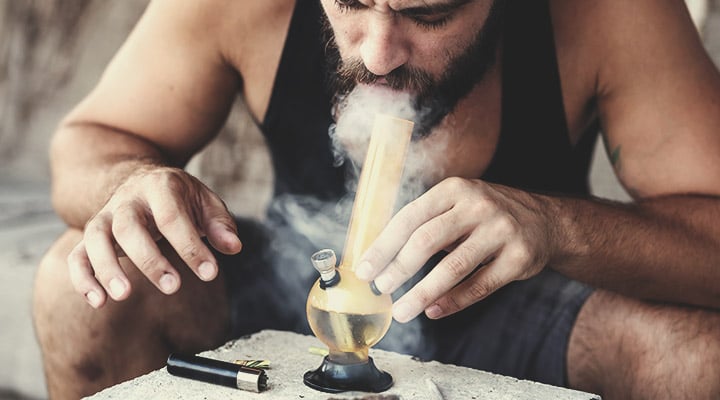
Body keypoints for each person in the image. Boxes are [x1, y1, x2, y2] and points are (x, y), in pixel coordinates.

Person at [33, 0, 720, 398]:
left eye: (429, 12)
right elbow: (94, 138)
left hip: (517, 293)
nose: (381, 52)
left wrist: (557, 225)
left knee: (703, 357)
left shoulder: (609, 13)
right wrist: (127, 184)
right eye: (352, 1)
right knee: (77, 288)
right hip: (290, 279)